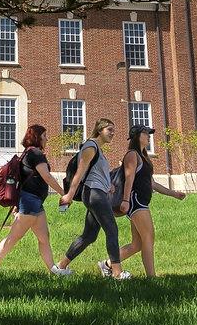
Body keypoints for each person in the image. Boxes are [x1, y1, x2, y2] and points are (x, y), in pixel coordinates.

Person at [0, 124, 62, 273]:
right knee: (14, 237)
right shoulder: (36, 154)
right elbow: (46, 176)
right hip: (30, 202)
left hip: (33, 202)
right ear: (37, 138)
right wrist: (63, 193)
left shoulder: (27, 153)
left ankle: (53, 269)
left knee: (44, 238)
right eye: (44, 136)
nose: (47, 139)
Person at [55, 119, 127, 278]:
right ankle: (117, 273)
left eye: (114, 130)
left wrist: (109, 184)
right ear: (100, 130)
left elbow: (96, 173)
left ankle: (60, 267)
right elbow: (79, 174)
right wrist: (69, 195)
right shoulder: (90, 146)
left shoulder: (98, 150)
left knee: (89, 236)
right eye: (110, 129)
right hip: (94, 194)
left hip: (99, 192)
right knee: (112, 229)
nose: (113, 133)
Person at [119, 124, 187, 279]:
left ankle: (108, 264)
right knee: (148, 237)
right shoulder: (132, 155)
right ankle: (151, 278)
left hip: (141, 202)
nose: (149, 136)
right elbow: (129, 179)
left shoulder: (143, 157)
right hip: (136, 202)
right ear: (137, 136)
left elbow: (152, 183)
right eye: (146, 133)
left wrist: (173, 194)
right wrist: (125, 200)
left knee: (137, 244)